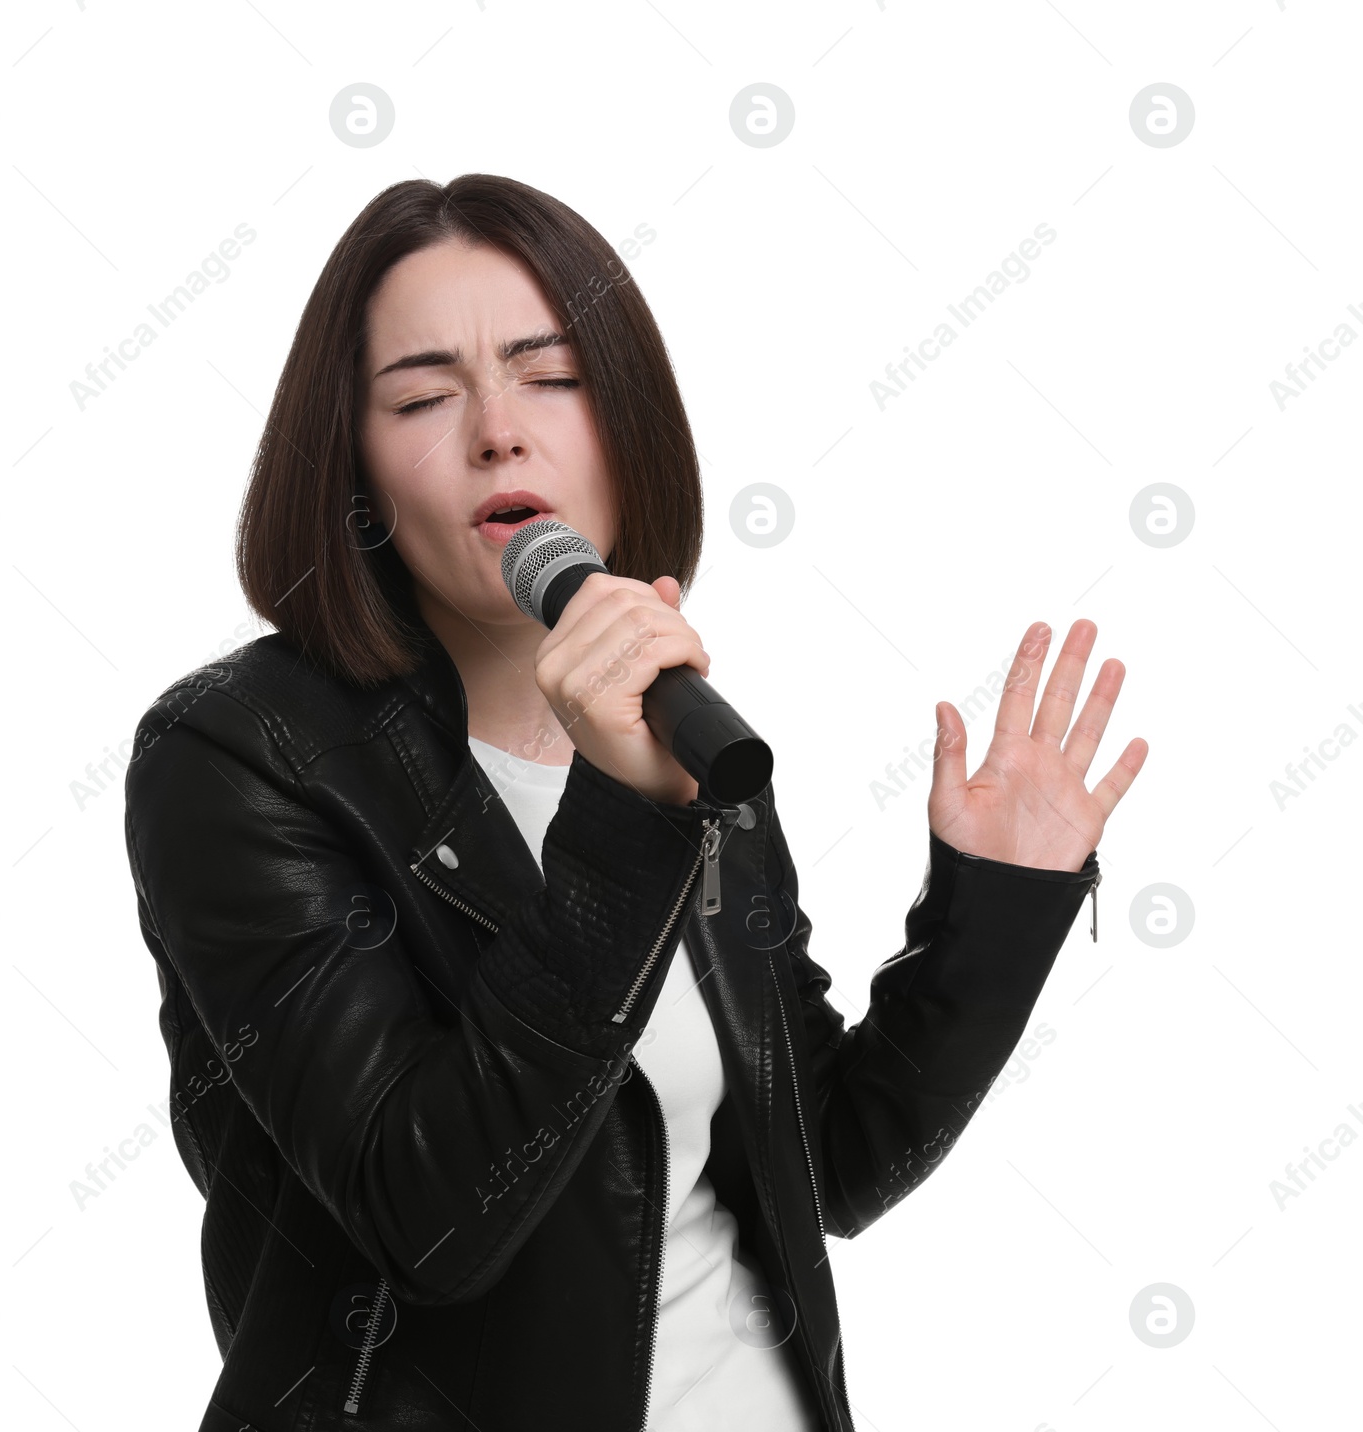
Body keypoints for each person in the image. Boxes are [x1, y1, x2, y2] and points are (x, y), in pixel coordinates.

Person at [122, 173, 1147, 1432]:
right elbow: (428, 1214)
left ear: (628, 429)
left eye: (550, 378)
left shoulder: (678, 726)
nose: (499, 430)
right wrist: (628, 817)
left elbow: (824, 1157)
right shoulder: (239, 754)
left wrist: (997, 910)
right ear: (352, 468)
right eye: (425, 396)